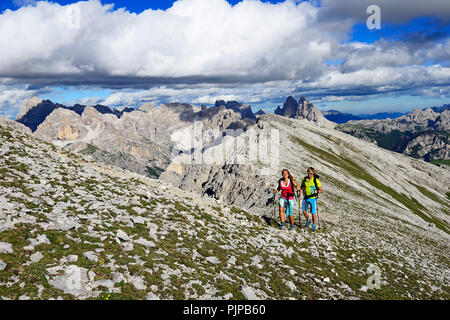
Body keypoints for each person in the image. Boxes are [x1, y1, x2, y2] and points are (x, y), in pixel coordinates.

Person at [300, 167, 323, 231]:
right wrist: (300, 193)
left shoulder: (316, 180)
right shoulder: (304, 179)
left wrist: (317, 191)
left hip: (313, 198)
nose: (309, 174)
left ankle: (314, 225)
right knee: (304, 211)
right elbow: (301, 187)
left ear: (313, 173)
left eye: (311, 173)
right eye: (308, 173)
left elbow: (321, 190)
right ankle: (308, 220)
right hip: (306, 197)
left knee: (313, 212)